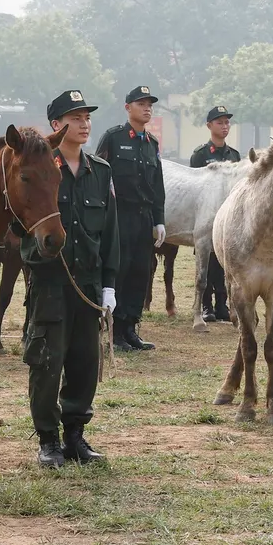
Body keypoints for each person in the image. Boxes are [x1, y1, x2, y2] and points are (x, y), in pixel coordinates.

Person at [23, 89, 119, 467]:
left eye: (87, 117)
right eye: (75, 117)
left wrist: (109, 284)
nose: (84, 124)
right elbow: (22, 228)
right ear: (55, 125)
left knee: (83, 362)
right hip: (51, 283)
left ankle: (75, 435)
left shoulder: (101, 172)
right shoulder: (42, 169)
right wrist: (37, 260)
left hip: (89, 285)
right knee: (47, 361)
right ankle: (47, 440)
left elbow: (111, 234)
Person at [95, 85, 165, 352]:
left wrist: (159, 219)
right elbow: (100, 177)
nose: (147, 108)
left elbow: (157, 185)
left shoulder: (152, 144)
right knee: (120, 271)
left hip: (144, 216)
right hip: (119, 215)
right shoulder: (113, 138)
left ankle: (131, 327)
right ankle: (115, 332)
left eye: (150, 104)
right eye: (141, 103)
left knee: (140, 272)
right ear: (128, 107)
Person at [190, 105, 240, 323]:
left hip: (227, 219)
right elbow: (195, 186)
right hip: (205, 219)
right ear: (209, 126)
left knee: (224, 264)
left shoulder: (234, 155)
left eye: (227, 122)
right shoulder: (200, 155)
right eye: (220, 122)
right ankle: (206, 306)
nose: (224, 126)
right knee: (207, 262)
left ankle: (222, 305)